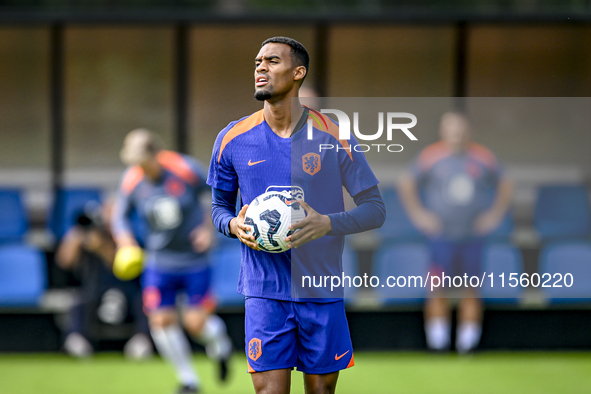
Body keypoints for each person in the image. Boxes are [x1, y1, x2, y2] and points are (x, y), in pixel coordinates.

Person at [208, 37, 385, 394]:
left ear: (298, 73)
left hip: (320, 289)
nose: (260, 68)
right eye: (258, 61)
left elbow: (375, 209)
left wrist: (328, 223)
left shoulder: (335, 136)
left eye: (272, 61)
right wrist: (232, 224)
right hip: (265, 291)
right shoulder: (232, 138)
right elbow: (218, 208)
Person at [112, 129, 233, 394]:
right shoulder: (132, 179)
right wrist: (126, 241)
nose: (139, 170)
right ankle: (189, 380)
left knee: (195, 323)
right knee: (160, 322)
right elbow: (119, 217)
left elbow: (219, 193)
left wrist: (208, 228)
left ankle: (221, 347)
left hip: (194, 260)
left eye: (142, 163)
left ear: (156, 154)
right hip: (158, 262)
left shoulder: (184, 168)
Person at [399, 111, 512, 354]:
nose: (456, 134)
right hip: (441, 238)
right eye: (451, 129)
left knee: (471, 290)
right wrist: (420, 215)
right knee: (436, 289)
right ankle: (438, 345)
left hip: (472, 237)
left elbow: (505, 183)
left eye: (460, 129)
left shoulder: (483, 157)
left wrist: (493, 216)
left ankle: (466, 346)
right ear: (443, 131)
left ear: (467, 131)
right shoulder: (431, 156)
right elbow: (406, 182)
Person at [56, 200, 153, 359]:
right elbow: (64, 261)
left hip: (128, 293)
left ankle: (141, 341)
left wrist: (102, 248)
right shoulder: (89, 237)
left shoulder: (130, 239)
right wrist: (77, 233)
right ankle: (77, 340)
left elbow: (119, 264)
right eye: (107, 214)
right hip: (96, 293)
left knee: (145, 303)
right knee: (78, 303)